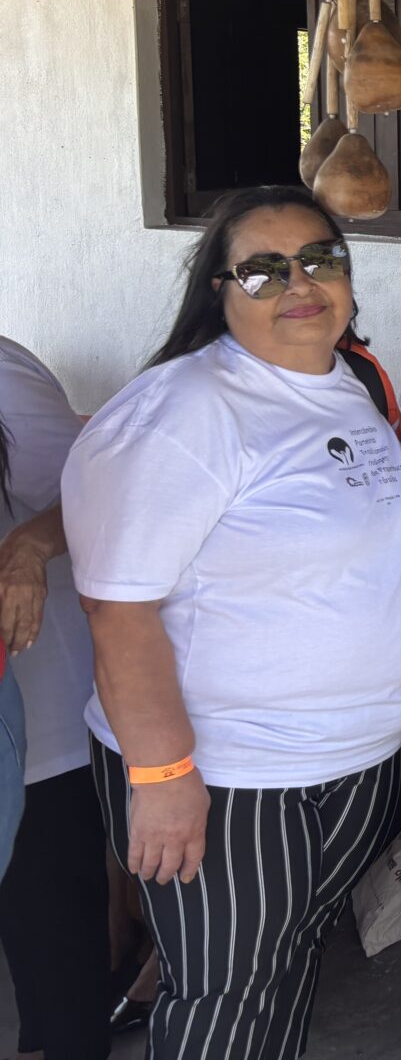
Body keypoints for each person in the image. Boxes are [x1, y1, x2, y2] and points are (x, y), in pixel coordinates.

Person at [61, 185, 401, 1060]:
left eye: (320, 259)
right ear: (219, 292)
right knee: (224, 995)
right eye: (264, 270)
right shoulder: (189, 410)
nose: (299, 282)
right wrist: (161, 773)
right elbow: (117, 608)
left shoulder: (352, 383)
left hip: (350, 755)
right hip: (228, 771)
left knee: (285, 966)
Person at [0, 337, 112, 1059]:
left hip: (37, 732)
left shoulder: (3, 376)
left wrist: (26, 552)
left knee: (53, 932)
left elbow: (94, 498)